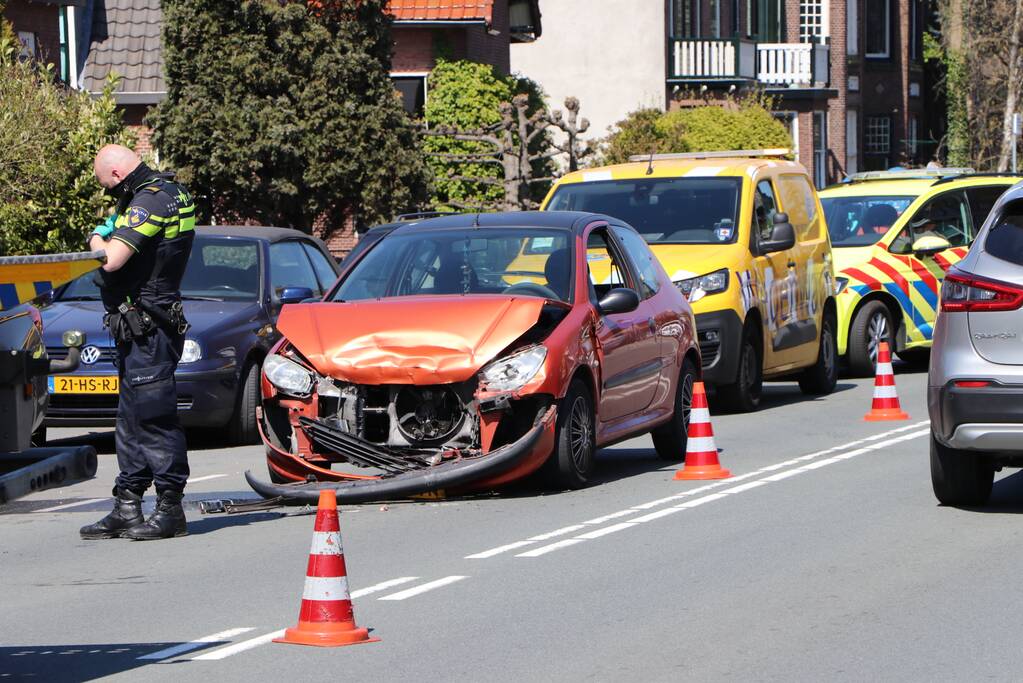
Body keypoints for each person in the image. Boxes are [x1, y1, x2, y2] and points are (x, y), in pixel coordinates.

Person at [79, 144, 196, 541]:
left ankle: (170, 508)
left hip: (152, 325)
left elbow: (110, 258)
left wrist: (96, 237)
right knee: (131, 417)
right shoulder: (161, 192)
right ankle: (127, 504)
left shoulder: (152, 200)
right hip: (137, 325)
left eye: (107, 187)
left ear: (115, 175)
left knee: (154, 417)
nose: (112, 196)